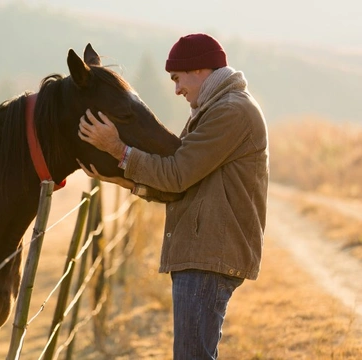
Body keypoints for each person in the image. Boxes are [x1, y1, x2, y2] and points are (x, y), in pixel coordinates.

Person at [77, 33, 268, 359]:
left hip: (209, 254)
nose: (177, 89)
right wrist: (120, 179)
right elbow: (179, 186)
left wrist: (118, 149)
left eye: (178, 78)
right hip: (203, 252)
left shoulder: (230, 112)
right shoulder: (214, 109)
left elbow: (177, 174)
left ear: (199, 70)